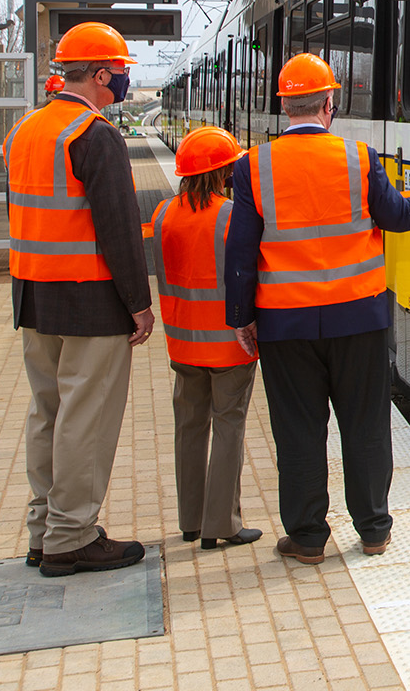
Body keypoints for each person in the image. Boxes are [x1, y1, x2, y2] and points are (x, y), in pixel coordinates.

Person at [225, 53, 410, 564]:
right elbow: (399, 216)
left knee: (299, 430)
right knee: (365, 424)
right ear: (330, 103)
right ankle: (374, 530)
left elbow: (240, 252)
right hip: (359, 318)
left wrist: (240, 318)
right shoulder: (359, 158)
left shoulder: (253, 166)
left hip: (285, 323)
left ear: (285, 106)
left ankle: (308, 538)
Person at [4, 21, 153, 578]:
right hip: (88, 299)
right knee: (85, 419)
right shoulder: (93, 135)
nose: (123, 81)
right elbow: (118, 227)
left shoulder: (25, 130)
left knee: (48, 413)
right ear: (98, 74)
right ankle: (73, 537)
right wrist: (138, 302)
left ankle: (44, 531)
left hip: (32, 293)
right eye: (119, 73)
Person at [146, 126, 261, 551]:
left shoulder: (162, 215)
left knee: (188, 428)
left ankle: (191, 521)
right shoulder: (230, 216)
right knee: (229, 427)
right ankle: (223, 524)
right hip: (230, 345)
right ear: (221, 174)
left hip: (182, 343)